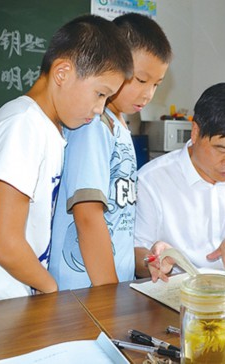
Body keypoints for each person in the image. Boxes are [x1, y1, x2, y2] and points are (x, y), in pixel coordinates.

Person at [0, 15, 133, 309]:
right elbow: (4, 243)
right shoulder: (24, 124)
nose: (98, 109)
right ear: (62, 73)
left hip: (6, 302)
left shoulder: (48, 129)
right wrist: (50, 288)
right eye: (100, 94)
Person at [48, 13, 172, 290]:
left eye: (156, 84)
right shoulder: (92, 123)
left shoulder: (118, 125)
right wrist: (108, 292)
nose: (149, 94)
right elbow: (88, 214)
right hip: (84, 288)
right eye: (140, 80)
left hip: (107, 283)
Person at [134, 82, 225, 282]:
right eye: (221, 150)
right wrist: (152, 259)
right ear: (195, 132)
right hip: (178, 292)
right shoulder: (152, 180)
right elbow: (134, 255)